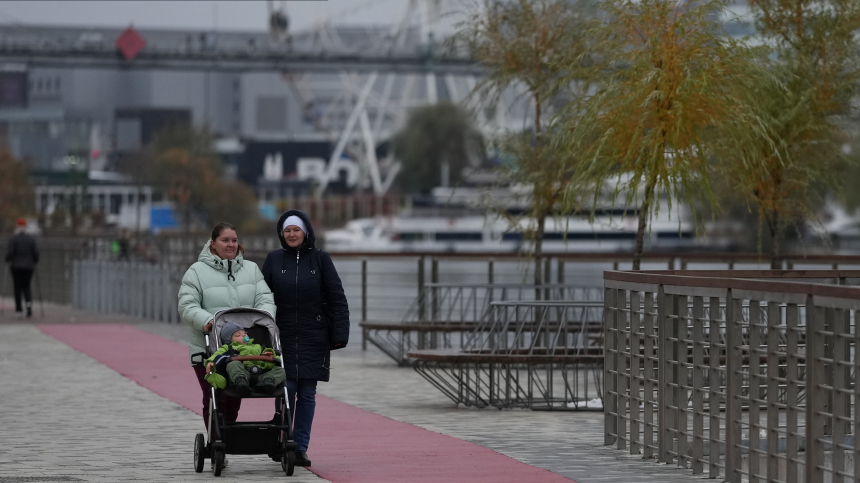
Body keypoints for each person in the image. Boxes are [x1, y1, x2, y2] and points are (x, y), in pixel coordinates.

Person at [261, 210, 349, 468]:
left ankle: (300, 447)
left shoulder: (321, 259)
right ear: (281, 233)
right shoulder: (274, 259)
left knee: (307, 393)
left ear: (306, 232)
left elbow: (337, 298)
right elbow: (261, 296)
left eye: (295, 230)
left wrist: (340, 334)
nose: (291, 234)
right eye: (287, 230)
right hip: (282, 334)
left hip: (314, 335)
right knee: (286, 389)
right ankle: (283, 440)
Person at [178, 222, 276, 436]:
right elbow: (187, 305)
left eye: (234, 240)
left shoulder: (251, 269)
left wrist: (264, 317)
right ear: (213, 244)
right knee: (214, 395)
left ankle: (227, 436)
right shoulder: (196, 271)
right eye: (225, 240)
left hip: (245, 347)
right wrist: (209, 320)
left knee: (234, 397)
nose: (231, 244)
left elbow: (265, 298)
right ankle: (216, 440)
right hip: (207, 349)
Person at [205, 321, 286, 396]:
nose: (243, 335)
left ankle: (268, 382)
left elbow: (275, 361)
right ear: (229, 340)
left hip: (261, 374)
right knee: (233, 364)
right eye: (238, 335)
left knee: (280, 370)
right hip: (243, 373)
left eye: (244, 333)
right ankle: (241, 382)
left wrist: (269, 356)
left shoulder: (258, 346)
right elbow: (217, 355)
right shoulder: (228, 347)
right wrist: (211, 362)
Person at [5, 217, 39, 318]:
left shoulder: (14, 238)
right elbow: (36, 253)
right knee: (27, 286)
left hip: (16, 266)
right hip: (29, 266)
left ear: (17, 226)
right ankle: (29, 306)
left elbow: (10, 253)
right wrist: (35, 261)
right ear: (25, 227)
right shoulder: (31, 239)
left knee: (17, 287)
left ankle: (19, 309)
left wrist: (7, 259)